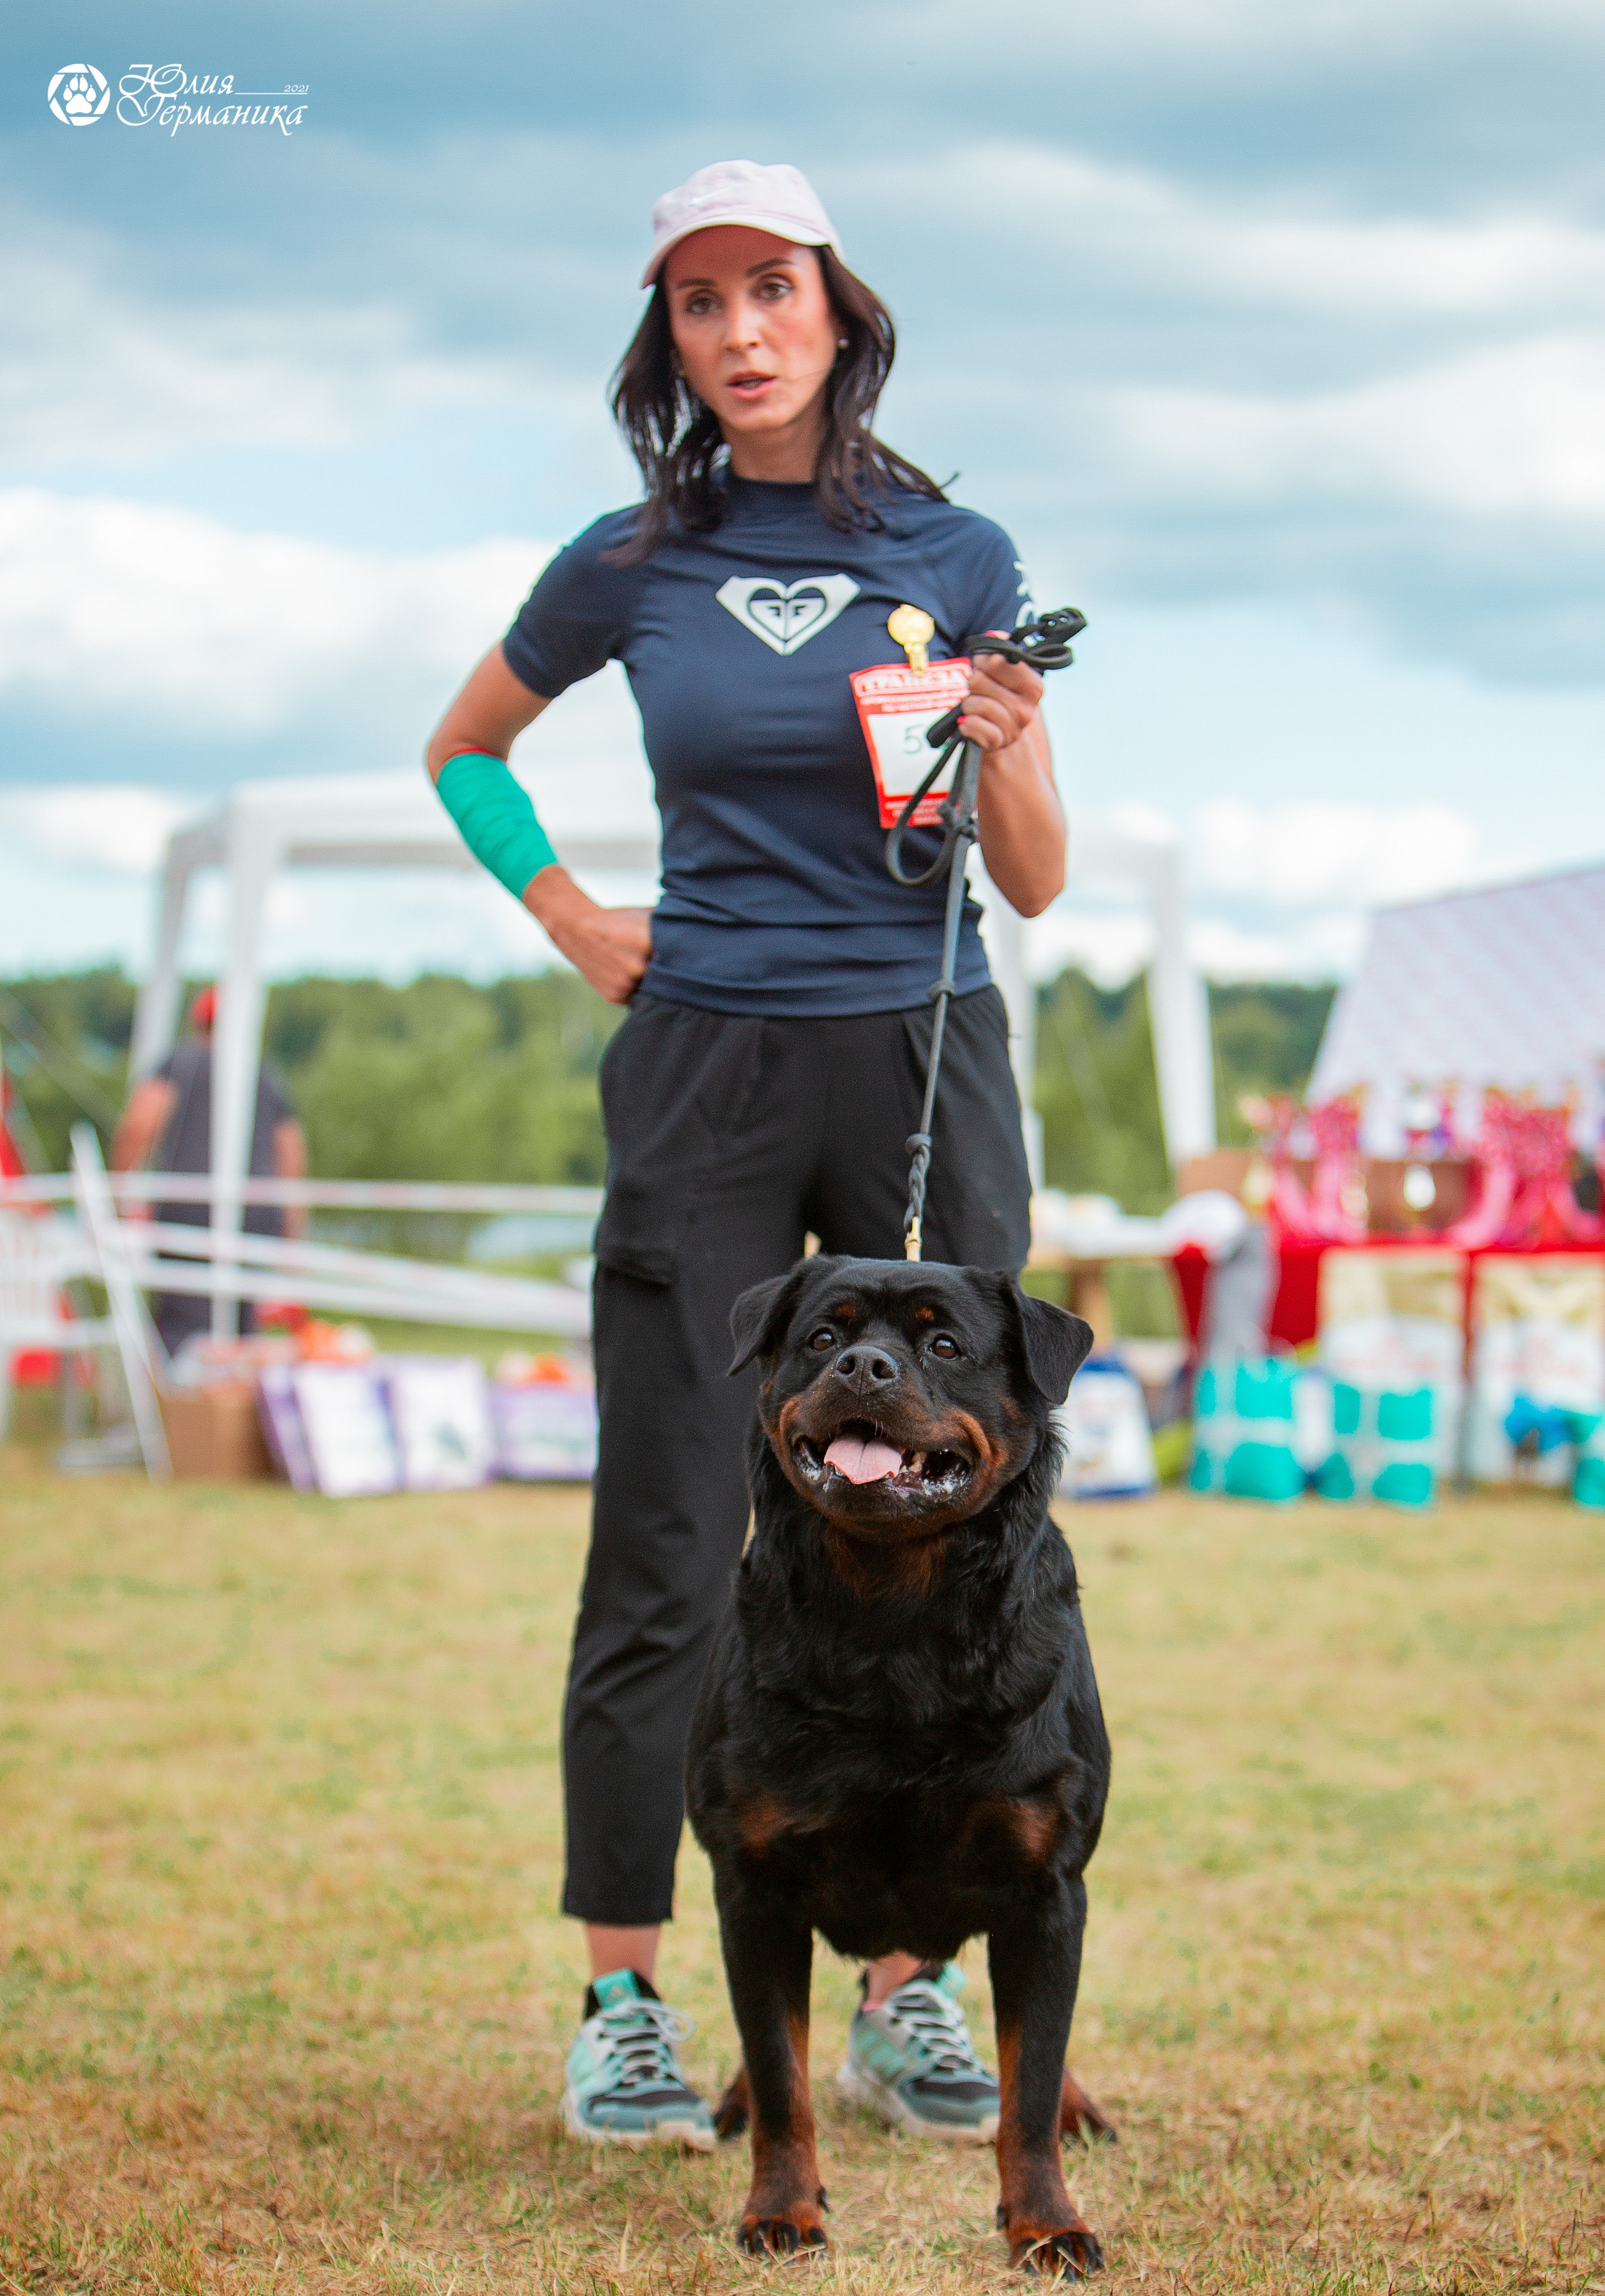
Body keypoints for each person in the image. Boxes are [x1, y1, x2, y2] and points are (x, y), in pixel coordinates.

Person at [426, 160, 1070, 2151]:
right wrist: (575, 920)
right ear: (670, 338)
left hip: (920, 1045)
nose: (739, 328)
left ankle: (910, 1995)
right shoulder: (625, 562)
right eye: (699, 301)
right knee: (665, 1541)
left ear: (837, 310)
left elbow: (1031, 880)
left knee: (961, 1525)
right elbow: (464, 745)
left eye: (768, 289)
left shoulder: (956, 548)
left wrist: (1010, 733)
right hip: (701, 1056)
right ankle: (626, 1996)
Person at [110, 987, 307, 1353]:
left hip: (189, 1211)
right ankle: (226, 1403)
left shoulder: (178, 1064)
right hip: (259, 1215)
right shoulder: (266, 1075)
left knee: (183, 1332)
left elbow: (138, 1125)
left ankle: (186, 1404)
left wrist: (118, 1197)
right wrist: (291, 1237)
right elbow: (291, 1159)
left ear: (198, 1024)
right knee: (241, 1330)